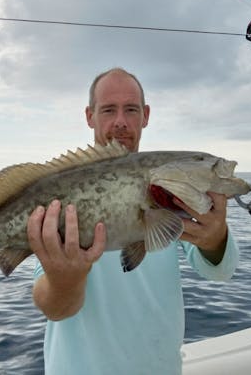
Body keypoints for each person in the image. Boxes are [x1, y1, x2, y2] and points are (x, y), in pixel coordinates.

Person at [27, 67, 239, 375]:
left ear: (146, 115)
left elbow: (220, 272)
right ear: (89, 116)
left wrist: (215, 239)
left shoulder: (169, 187)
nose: (121, 122)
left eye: (131, 109)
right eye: (108, 110)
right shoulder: (62, 191)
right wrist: (64, 282)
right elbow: (54, 308)